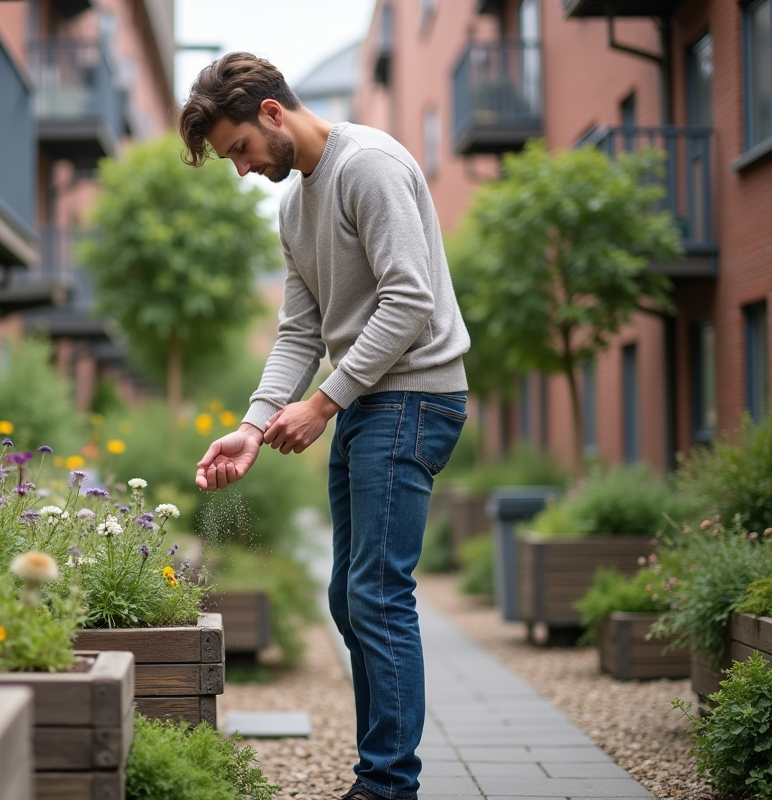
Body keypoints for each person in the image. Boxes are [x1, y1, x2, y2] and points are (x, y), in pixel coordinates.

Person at [179, 53, 470, 800]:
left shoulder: (367, 165)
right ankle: (384, 778)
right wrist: (253, 423)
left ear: (272, 112)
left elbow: (409, 302)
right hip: (371, 401)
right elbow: (299, 332)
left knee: (377, 594)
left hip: (412, 397)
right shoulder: (295, 205)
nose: (240, 169)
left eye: (238, 148)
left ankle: (385, 786)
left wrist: (324, 403)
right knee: (350, 597)